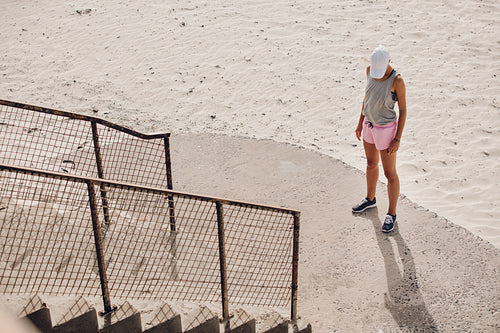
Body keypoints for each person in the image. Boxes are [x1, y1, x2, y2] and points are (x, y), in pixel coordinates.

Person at [352, 45, 407, 233]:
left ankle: (391, 214)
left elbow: (403, 110)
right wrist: (360, 122)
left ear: (388, 62)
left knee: (390, 173)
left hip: (386, 129)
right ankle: (370, 199)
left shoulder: (397, 81)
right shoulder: (370, 71)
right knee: (370, 163)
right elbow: (366, 98)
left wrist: (397, 139)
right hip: (369, 124)